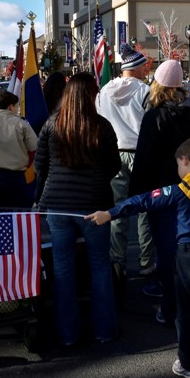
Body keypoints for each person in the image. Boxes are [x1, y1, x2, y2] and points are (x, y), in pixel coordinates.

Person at [86, 138, 190, 378]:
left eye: (179, 163)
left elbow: (144, 200)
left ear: (185, 160)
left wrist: (111, 213)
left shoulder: (178, 190)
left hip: (189, 256)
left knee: (187, 312)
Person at [35, 72, 121, 345]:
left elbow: (40, 167)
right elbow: (113, 165)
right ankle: (104, 330)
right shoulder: (102, 126)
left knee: (62, 268)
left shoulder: (51, 124)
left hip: (58, 207)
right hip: (94, 205)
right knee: (99, 266)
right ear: (91, 96)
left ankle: (67, 333)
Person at [130, 59, 190, 325]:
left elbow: (144, 159)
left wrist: (136, 194)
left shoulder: (154, 117)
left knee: (166, 253)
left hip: (162, 194)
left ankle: (171, 307)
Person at [96, 44, 156, 281]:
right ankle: (146, 262)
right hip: (140, 152)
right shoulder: (146, 91)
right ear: (138, 68)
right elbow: (151, 124)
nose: (145, 71)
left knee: (118, 209)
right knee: (143, 208)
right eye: (144, 67)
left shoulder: (103, 91)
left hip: (114, 152)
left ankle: (117, 260)